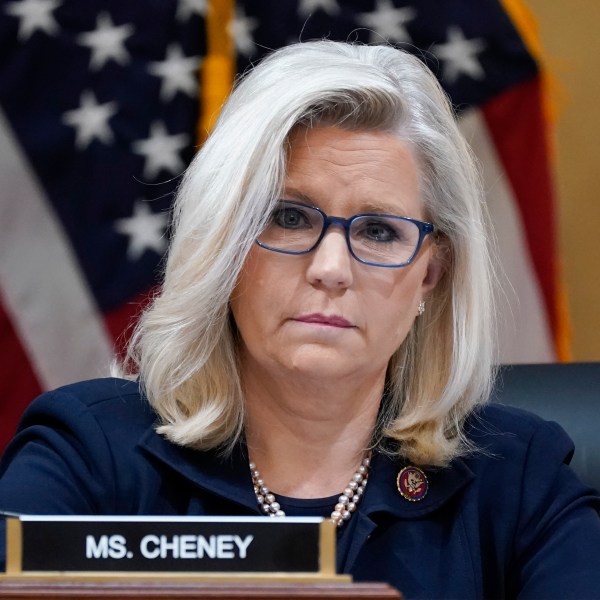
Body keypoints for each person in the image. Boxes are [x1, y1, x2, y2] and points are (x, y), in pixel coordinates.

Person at [1, 40, 599, 598]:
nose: (332, 267)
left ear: (430, 275)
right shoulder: (88, 455)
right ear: (225, 247)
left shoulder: (517, 478)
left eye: (379, 230)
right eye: (289, 218)